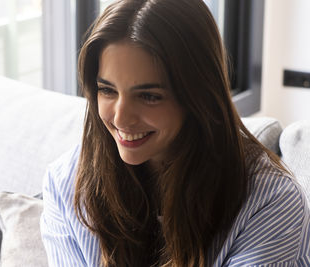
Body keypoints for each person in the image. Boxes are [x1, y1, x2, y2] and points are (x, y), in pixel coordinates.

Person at [40, 0, 310, 266]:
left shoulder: (271, 204)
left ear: (199, 96)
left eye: (148, 96)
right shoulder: (66, 184)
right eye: (107, 90)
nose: (121, 118)